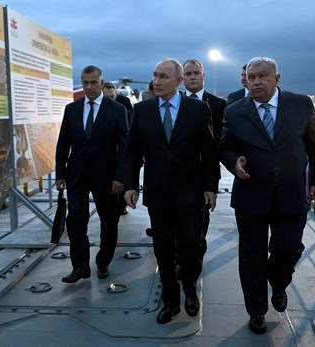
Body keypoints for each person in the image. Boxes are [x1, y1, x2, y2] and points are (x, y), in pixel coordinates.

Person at [219, 57, 315, 334]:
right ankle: (256, 311)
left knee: (288, 250)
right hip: (251, 195)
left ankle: (278, 283)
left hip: (292, 194)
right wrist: (234, 163)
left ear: (276, 79)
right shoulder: (234, 112)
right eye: (251, 77)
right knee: (251, 257)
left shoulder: (300, 104)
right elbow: (225, 147)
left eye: (263, 76)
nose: (257, 82)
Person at [123, 58, 219, 324]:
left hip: (191, 191)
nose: (156, 81)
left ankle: (190, 289)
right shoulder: (142, 110)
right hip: (158, 193)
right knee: (163, 250)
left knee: (190, 245)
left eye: (163, 77)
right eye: (154, 76)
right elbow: (132, 152)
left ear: (178, 81)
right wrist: (130, 184)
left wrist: (211, 187)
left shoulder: (198, 110)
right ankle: (170, 300)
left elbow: (209, 151)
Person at [55, 65, 128, 284]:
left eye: (93, 82)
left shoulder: (116, 110)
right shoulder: (72, 109)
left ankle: (103, 261)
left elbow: (124, 147)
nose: (89, 87)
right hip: (77, 175)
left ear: (102, 83)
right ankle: (80, 266)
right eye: (85, 82)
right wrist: (60, 174)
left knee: (108, 221)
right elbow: (63, 144)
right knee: (76, 218)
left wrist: (120, 177)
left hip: (106, 177)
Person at [182, 59, 226, 270]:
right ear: (182, 77)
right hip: (178, 174)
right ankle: (181, 258)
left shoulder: (218, 105)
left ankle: (195, 258)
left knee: (200, 222)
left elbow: (221, 142)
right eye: (188, 73)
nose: (192, 77)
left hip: (205, 174)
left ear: (203, 75)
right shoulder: (173, 102)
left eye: (196, 73)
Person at [103, 81, 132, 215]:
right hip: (107, 148)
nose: (110, 99)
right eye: (107, 96)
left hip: (122, 143)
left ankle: (123, 204)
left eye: (112, 96)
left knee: (122, 175)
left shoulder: (123, 104)